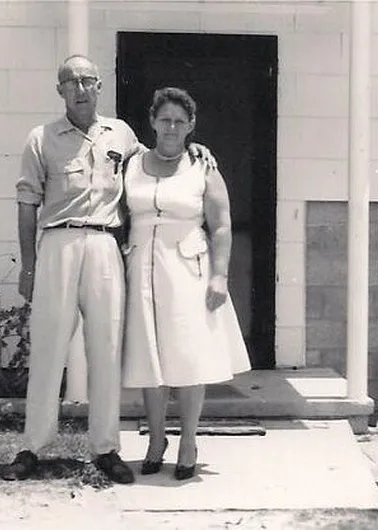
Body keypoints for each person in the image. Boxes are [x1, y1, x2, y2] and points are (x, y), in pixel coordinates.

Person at [1, 56, 214, 484]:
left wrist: (195, 149)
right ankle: (32, 447)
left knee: (106, 351)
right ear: (59, 90)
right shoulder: (41, 138)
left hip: (105, 244)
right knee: (48, 349)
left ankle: (105, 448)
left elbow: (158, 158)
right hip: (58, 242)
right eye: (70, 82)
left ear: (99, 87)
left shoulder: (122, 133)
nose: (80, 89)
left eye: (87, 81)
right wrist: (29, 265)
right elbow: (27, 205)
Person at [121, 87, 252, 480]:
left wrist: (220, 275)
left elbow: (223, 225)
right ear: (152, 121)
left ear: (191, 125)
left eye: (180, 121)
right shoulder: (132, 163)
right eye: (165, 120)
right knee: (151, 357)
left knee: (188, 358)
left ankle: (189, 441)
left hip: (187, 270)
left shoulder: (202, 167)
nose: (172, 127)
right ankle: (155, 439)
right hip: (141, 266)